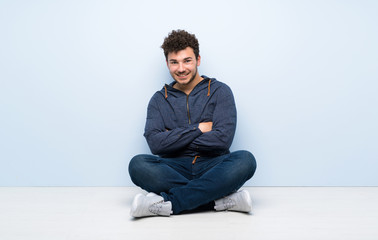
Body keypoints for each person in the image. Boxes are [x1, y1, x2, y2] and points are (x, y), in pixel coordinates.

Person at [128, 29, 257, 218]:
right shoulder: (158, 100)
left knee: (246, 160)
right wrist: (199, 128)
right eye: (174, 62)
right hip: (173, 167)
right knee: (138, 165)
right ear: (167, 63)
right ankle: (218, 200)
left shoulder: (220, 91)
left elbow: (222, 140)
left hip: (213, 165)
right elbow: (155, 144)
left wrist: (173, 137)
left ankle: (170, 204)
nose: (181, 69)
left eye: (187, 61)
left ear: (198, 59)